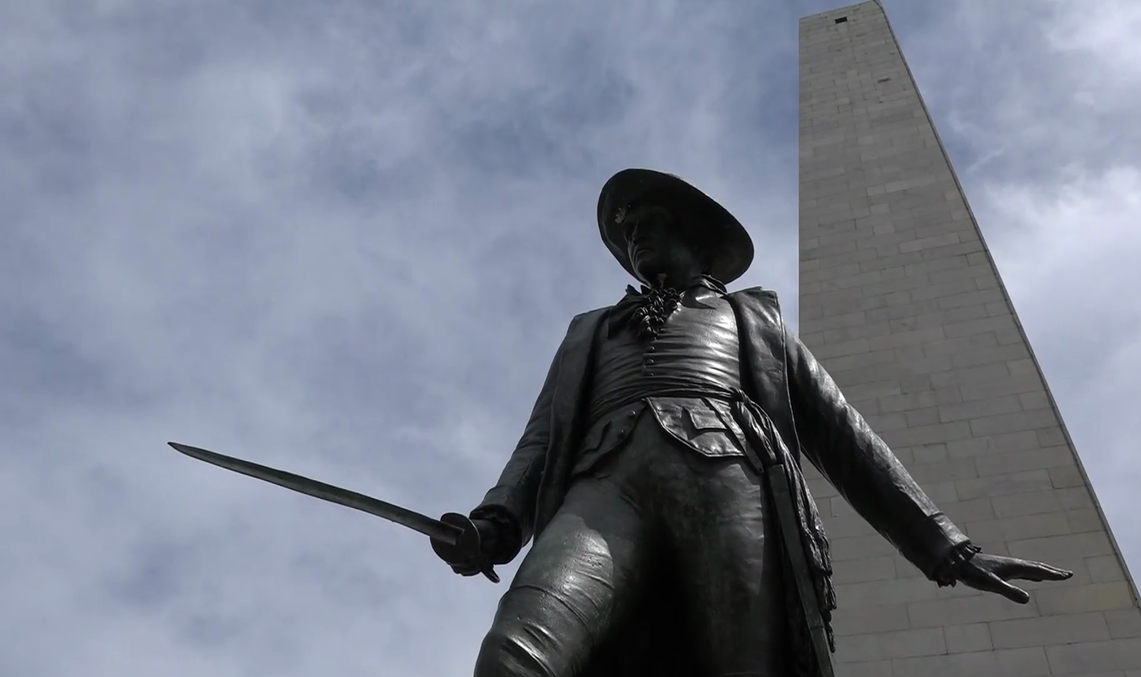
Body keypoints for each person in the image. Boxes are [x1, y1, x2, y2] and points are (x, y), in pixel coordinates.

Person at [432, 169, 1072, 677]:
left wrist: (945, 546)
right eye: (625, 234)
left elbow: (844, 436)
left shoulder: (754, 323)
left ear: (694, 236)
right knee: (513, 656)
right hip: (602, 490)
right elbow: (541, 441)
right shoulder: (589, 332)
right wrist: (496, 523)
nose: (633, 239)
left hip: (729, 478)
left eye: (647, 224)